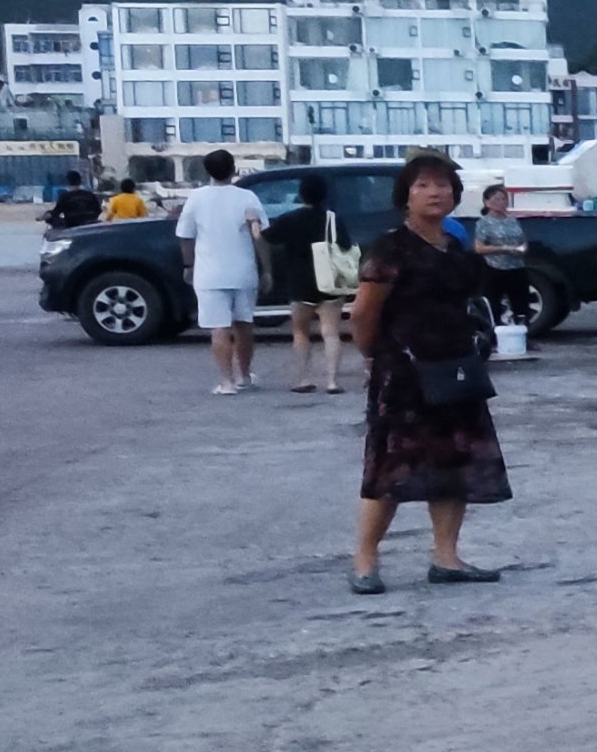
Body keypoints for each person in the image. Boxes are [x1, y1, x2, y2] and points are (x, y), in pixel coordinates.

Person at [348, 153, 508, 594]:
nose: (435, 192)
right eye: (423, 185)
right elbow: (363, 314)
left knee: (455, 460)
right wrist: (373, 356)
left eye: (443, 185)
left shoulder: (455, 247)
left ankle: (446, 556)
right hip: (404, 372)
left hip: (455, 368)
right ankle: (365, 559)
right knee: (390, 467)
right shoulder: (391, 247)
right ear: (406, 195)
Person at [173, 148, 267, 395]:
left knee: (219, 327)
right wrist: (266, 268)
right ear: (234, 168)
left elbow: (185, 236)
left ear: (207, 171)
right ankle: (244, 375)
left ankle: (226, 381)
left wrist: (188, 266)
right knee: (244, 324)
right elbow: (260, 236)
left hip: (209, 273)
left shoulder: (196, 198)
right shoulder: (247, 197)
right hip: (244, 271)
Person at [265, 172, 348, 394]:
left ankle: (303, 378)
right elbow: (345, 247)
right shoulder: (333, 219)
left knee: (300, 331)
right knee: (331, 332)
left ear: (301, 195)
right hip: (330, 280)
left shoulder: (289, 219)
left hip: (300, 282)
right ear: (324, 195)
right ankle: (332, 381)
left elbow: (268, 238)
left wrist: (254, 225)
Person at [471, 179, 529, 316]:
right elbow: (479, 248)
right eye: (497, 199)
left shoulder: (512, 220)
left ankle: (522, 329)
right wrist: (502, 248)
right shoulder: (484, 223)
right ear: (487, 202)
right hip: (494, 269)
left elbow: (523, 240)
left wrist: (522, 248)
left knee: (521, 305)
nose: (501, 202)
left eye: (504, 199)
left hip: (516, 267)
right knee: (493, 306)